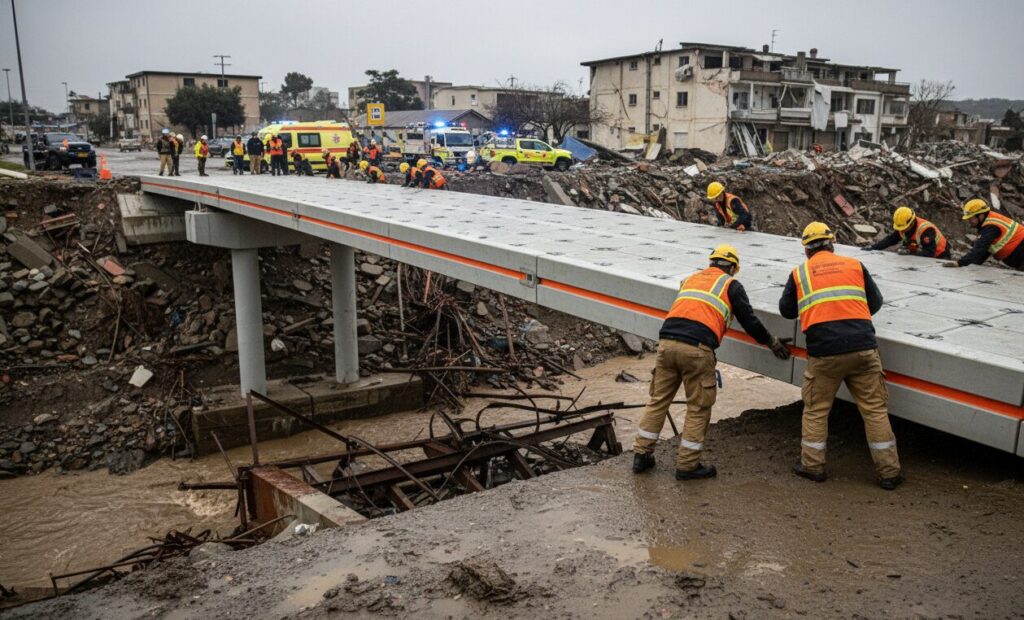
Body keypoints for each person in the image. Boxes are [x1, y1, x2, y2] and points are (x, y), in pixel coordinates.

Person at [632, 245, 792, 479]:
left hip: (666, 343)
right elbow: (749, 321)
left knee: (658, 400)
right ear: (733, 268)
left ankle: (641, 456)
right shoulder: (731, 285)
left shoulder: (690, 279)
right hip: (697, 348)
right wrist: (772, 342)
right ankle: (687, 465)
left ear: (711, 263)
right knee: (698, 407)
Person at [779, 222, 902, 490]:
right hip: (863, 347)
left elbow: (786, 311)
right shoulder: (854, 265)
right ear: (831, 244)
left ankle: (812, 467)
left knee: (816, 410)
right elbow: (876, 302)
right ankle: (889, 472)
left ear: (806, 250)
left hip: (825, 353)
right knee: (875, 410)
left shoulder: (800, 273)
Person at [943, 199, 1024, 270]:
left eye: (971, 218)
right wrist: (974, 264)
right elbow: (985, 250)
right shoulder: (989, 222)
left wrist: (960, 263)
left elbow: (980, 248)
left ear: (980, 215)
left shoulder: (991, 226)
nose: (969, 221)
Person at [864, 206, 949, 259]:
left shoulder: (925, 230)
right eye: (899, 228)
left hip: (940, 255)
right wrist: (873, 247)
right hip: (921, 254)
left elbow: (929, 252)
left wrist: (910, 253)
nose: (901, 230)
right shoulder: (903, 226)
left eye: (903, 228)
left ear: (911, 223)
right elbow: (891, 239)